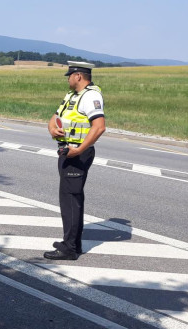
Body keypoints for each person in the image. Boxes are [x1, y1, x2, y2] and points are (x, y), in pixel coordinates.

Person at [44, 61, 106, 260]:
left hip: (77, 154)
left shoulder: (91, 96)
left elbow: (99, 127)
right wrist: (52, 129)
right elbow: (53, 118)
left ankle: (69, 248)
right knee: (69, 198)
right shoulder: (72, 96)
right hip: (66, 151)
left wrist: (79, 149)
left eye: (69, 75)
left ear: (78, 76)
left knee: (71, 199)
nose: (68, 78)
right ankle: (73, 244)